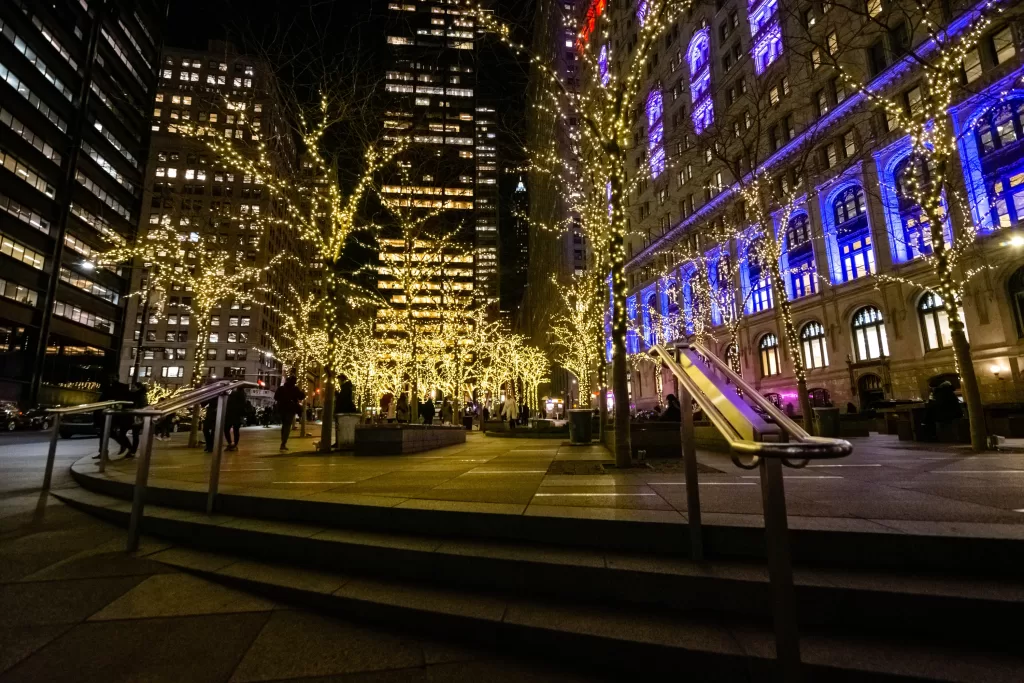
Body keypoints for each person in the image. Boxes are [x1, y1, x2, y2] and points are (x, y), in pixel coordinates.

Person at [274, 372, 305, 451]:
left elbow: (276, 397)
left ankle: (283, 441)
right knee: (287, 426)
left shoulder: (281, 388)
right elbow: (301, 396)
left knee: (284, 426)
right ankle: (283, 443)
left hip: (281, 409)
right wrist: (302, 392)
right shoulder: (294, 389)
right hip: (290, 410)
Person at [224, 386, 246, 451]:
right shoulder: (243, 395)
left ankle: (231, 443)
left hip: (231, 414)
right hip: (237, 414)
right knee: (236, 430)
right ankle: (234, 445)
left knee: (227, 429)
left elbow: (229, 403)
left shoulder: (234, 394)